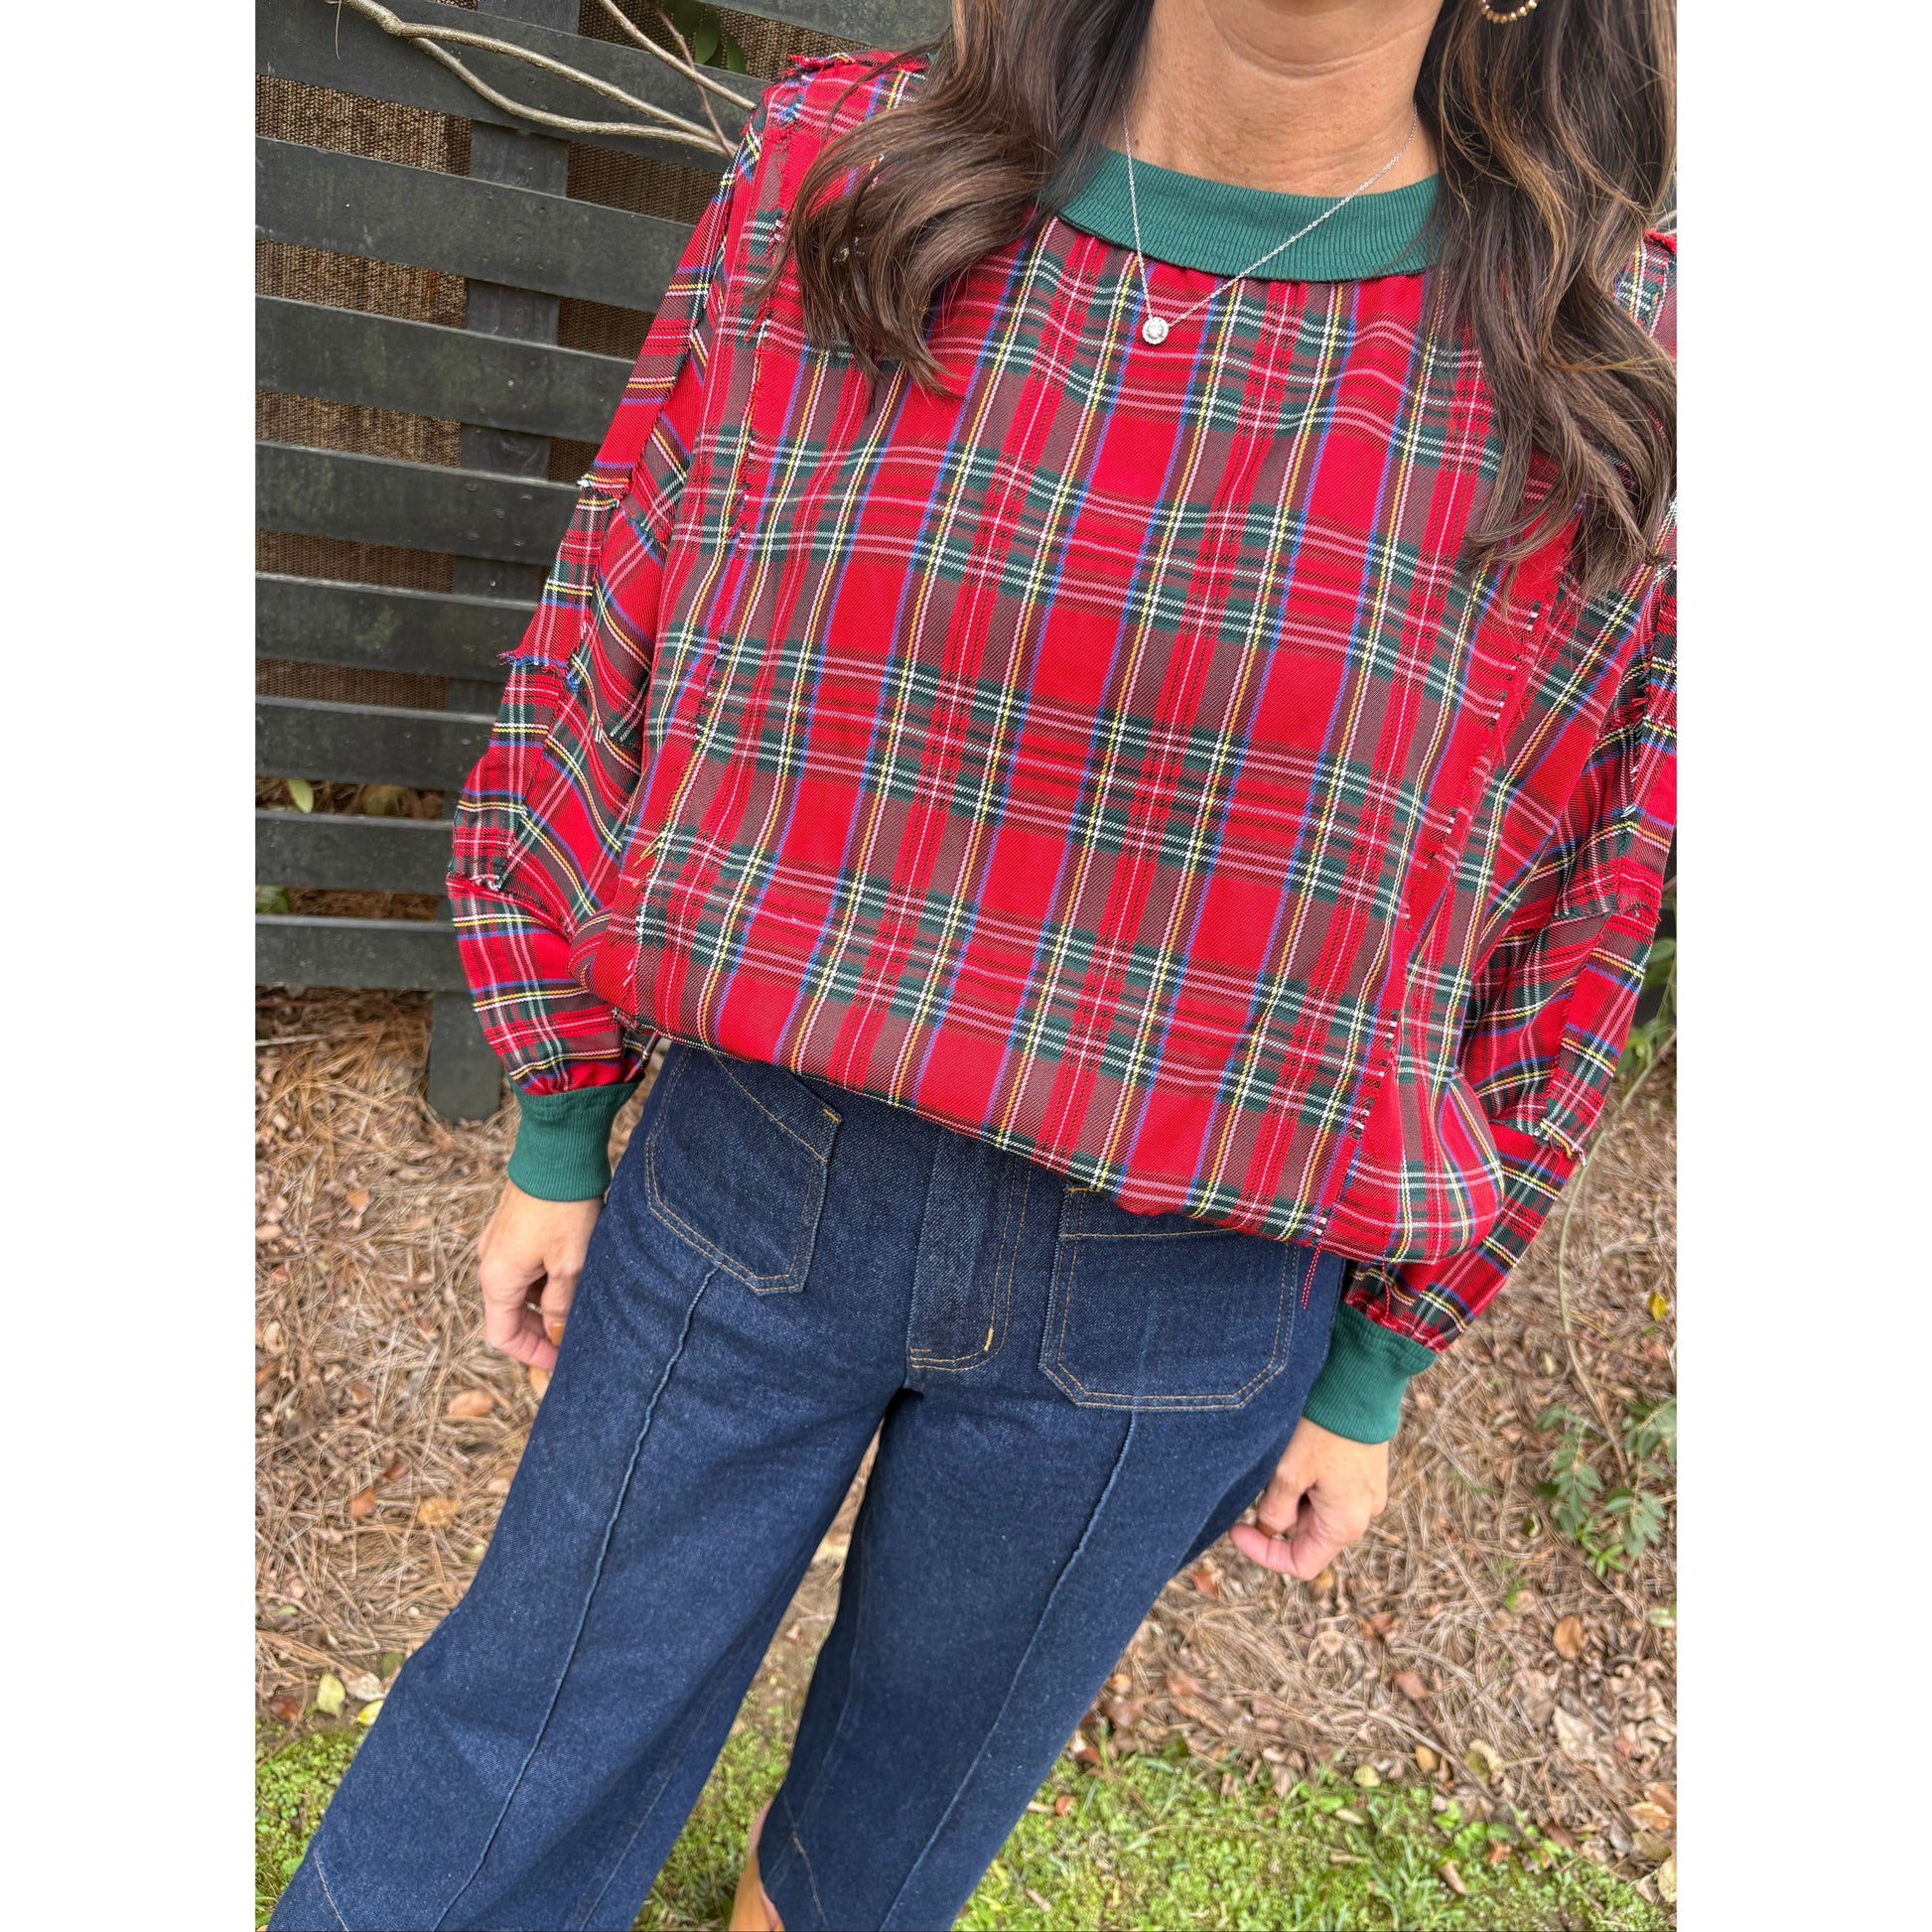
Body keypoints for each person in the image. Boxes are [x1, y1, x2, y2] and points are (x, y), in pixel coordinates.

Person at [270, 0, 1674, 1925]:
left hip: (1178, 1310)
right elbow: (620, 606)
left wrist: (1375, 1366)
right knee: (502, 1767)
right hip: (754, 1189)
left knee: (881, 1855)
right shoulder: (851, 183)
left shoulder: (1609, 368)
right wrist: (560, 1109)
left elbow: (1578, 908)